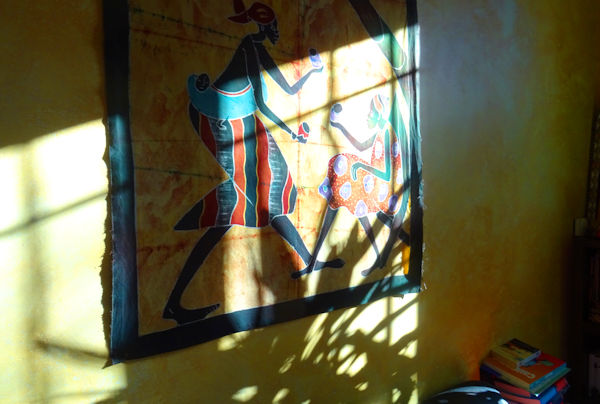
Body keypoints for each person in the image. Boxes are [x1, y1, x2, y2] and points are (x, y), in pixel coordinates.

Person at [162, 0, 343, 325]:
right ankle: (174, 302)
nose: (276, 31)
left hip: (243, 122)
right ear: (263, 26)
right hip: (221, 121)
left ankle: (307, 260)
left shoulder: (257, 49)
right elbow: (262, 101)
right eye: (273, 26)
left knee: (265, 194)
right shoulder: (249, 46)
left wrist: (313, 71)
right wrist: (290, 131)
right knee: (257, 195)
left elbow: (286, 87)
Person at [292, 94, 408, 279]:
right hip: (373, 183)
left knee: (345, 176)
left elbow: (386, 174)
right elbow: (361, 146)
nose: (368, 115)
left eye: (372, 111)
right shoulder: (382, 131)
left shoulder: (387, 132)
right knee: (343, 176)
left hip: (383, 190)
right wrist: (339, 126)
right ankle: (375, 257)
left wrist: (360, 166)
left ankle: (375, 258)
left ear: (380, 113)